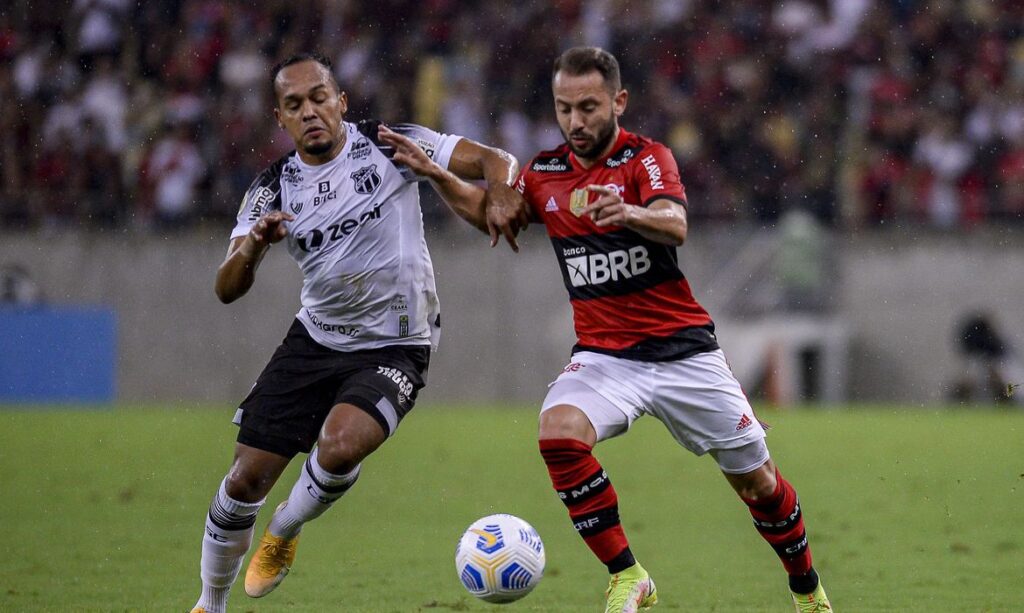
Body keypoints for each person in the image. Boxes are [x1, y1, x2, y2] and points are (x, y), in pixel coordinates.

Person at [486, 47, 833, 612]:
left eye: (589, 107)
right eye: (564, 108)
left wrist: (627, 213)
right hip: (604, 356)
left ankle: (808, 591)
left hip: (683, 353)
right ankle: (628, 575)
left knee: (759, 485)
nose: (575, 121)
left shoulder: (646, 158)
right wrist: (436, 173)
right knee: (558, 434)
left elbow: (675, 223)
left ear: (618, 102)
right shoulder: (544, 173)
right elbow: (493, 211)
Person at [190, 52, 521, 613]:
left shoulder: (389, 144)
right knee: (244, 481)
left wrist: (505, 189)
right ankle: (210, 603)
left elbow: (496, 159)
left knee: (340, 445)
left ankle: (286, 527)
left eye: (319, 97)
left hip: (398, 342)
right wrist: (254, 246)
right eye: (294, 104)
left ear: (340, 101)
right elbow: (226, 287)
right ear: (280, 118)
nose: (310, 111)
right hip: (316, 338)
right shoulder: (272, 189)